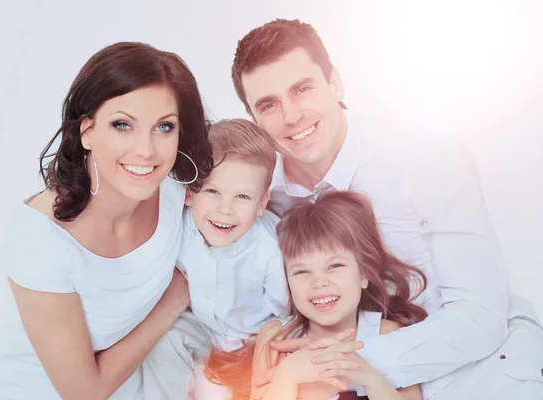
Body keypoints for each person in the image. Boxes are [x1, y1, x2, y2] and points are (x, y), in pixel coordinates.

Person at [231, 19, 543, 399]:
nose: (291, 116)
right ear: (254, 119)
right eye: (269, 104)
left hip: (477, 366)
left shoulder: (425, 157)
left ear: (336, 83)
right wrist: (273, 334)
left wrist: (338, 365)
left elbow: (480, 317)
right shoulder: (262, 194)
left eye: (302, 89)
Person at [0, 42, 214, 400]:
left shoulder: (175, 190)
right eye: (122, 125)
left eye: (164, 127)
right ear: (87, 131)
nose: (146, 151)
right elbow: (84, 392)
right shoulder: (41, 240)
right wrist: (172, 303)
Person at [206, 191, 427, 400]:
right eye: (302, 271)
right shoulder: (276, 338)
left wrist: (370, 378)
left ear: (363, 275)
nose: (319, 281)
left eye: (334, 265)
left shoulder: (386, 334)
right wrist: (288, 375)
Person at [176, 119, 289, 399]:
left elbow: (288, 316)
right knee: (167, 344)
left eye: (242, 196)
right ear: (191, 192)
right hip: (203, 331)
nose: (225, 210)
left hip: (253, 345)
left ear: (262, 203)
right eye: (213, 191)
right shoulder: (178, 226)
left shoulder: (270, 250)